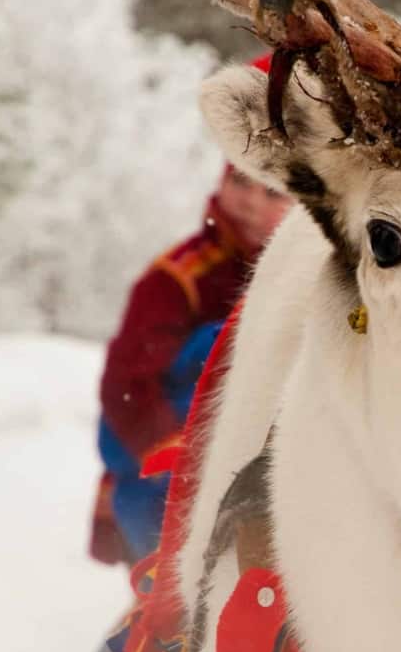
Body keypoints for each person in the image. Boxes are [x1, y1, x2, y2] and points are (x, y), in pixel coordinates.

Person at [89, 154, 294, 565]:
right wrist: (181, 464)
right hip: (166, 481)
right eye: (239, 181)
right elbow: (126, 384)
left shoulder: (302, 274)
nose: (250, 202)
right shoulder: (178, 277)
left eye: (271, 191)